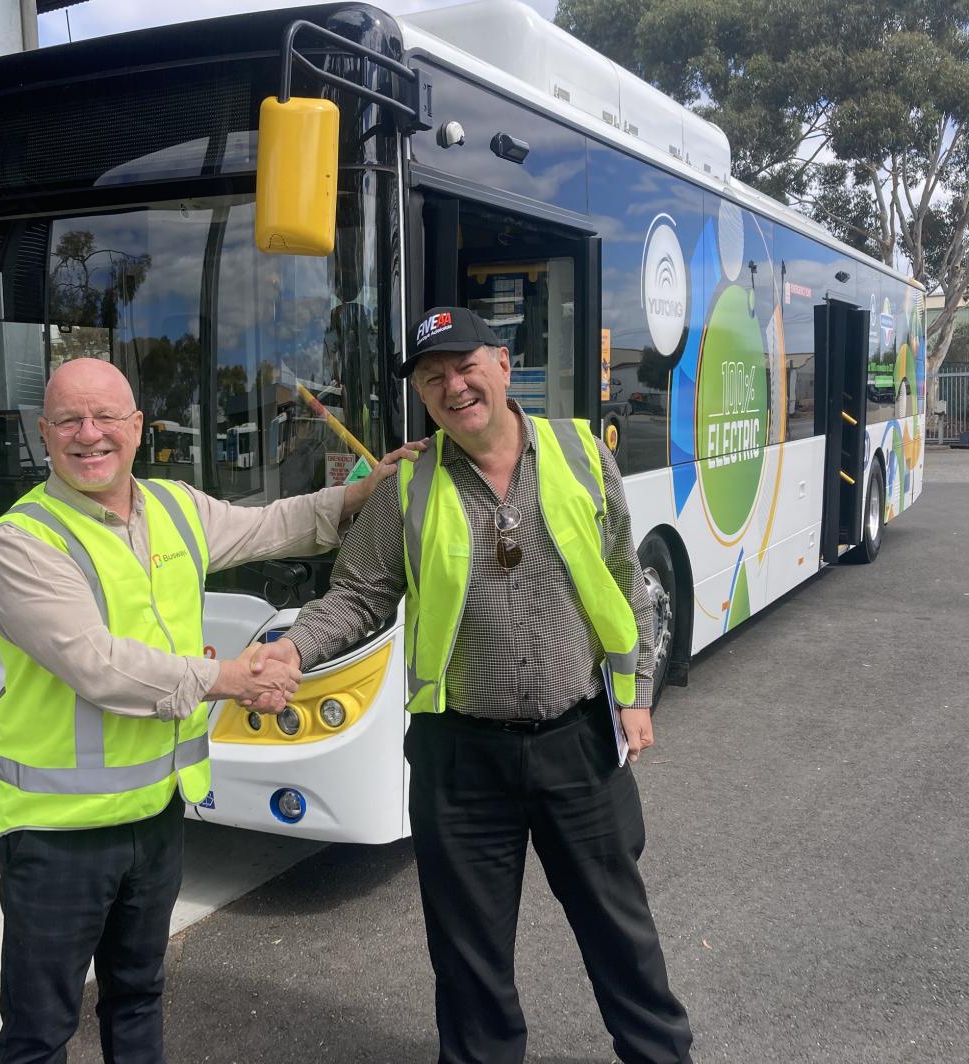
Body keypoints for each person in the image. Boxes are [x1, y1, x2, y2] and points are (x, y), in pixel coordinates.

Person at [254, 307, 694, 1064]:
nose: (453, 386)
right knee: (468, 963)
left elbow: (626, 577)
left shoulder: (581, 453)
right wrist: (292, 649)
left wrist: (635, 692)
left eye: (464, 366)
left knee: (620, 933)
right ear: (422, 395)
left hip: (578, 743)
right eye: (433, 377)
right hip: (459, 758)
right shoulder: (407, 487)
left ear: (502, 363)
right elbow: (357, 595)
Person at [0, 357, 421, 1064]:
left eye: (107, 417)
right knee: (38, 1030)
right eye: (69, 420)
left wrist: (368, 491)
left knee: (139, 995)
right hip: (59, 835)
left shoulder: (175, 507)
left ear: (137, 428)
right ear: (43, 432)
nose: (90, 435)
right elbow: (101, 667)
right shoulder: (22, 542)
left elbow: (274, 525)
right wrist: (234, 677)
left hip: (156, 815)